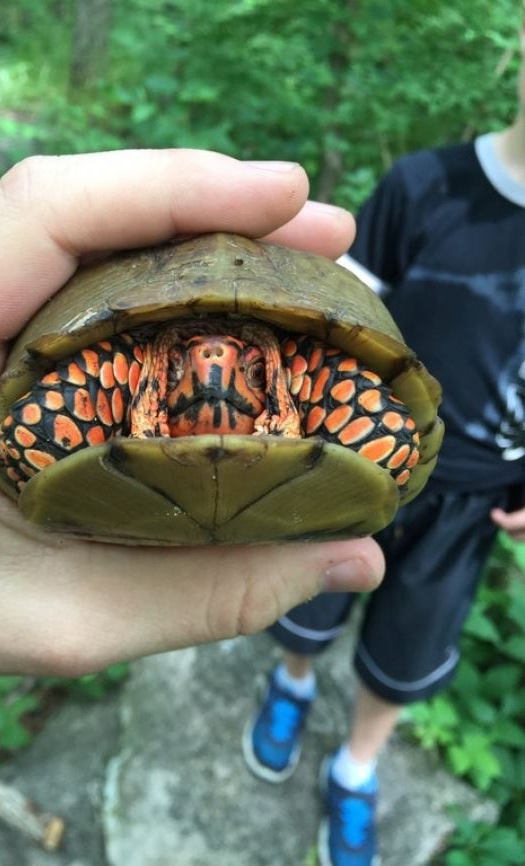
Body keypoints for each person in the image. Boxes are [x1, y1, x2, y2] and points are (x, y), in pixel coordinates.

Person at [0, 149, 386, 710]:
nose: (212, 372)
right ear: (153, 368)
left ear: (279, 373)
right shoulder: (108, 376)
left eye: (252, 366)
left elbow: (383, 419)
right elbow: (35, 423)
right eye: (178, 363)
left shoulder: (316, 371)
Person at [243, 22, 525, 866]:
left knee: (410, 644)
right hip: (358, 464)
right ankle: (290, 683)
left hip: (478, 498)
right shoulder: (426, 186)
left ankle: (357, 766)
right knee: (309, 598)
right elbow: (336, 328)